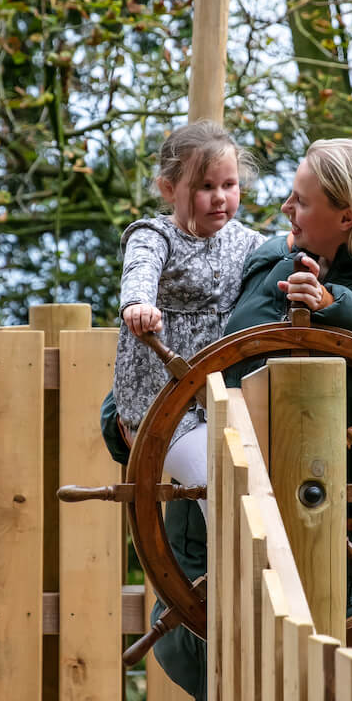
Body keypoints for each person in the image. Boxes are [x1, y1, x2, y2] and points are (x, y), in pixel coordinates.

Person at [106, 137, 352, 701]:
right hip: (210, 538)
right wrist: (127, 421)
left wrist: (345, 314)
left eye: (300, 201)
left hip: (345, 547)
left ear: (346, 217)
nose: (285, 209)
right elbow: (199, 353)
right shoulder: (268, 259)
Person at [109, 121, 264, 503]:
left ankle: (235, 561)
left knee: (248, 485)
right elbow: (140, 269)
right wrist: (139, 305)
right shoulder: (154, 235)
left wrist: (312, 267)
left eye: (229, 185)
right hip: (162, 403)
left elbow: (280, 259)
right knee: (218, 480)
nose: (220, 198)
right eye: (205, 187)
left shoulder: (243, 240)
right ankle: (238, 557)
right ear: (168, 188)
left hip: (223, 399)